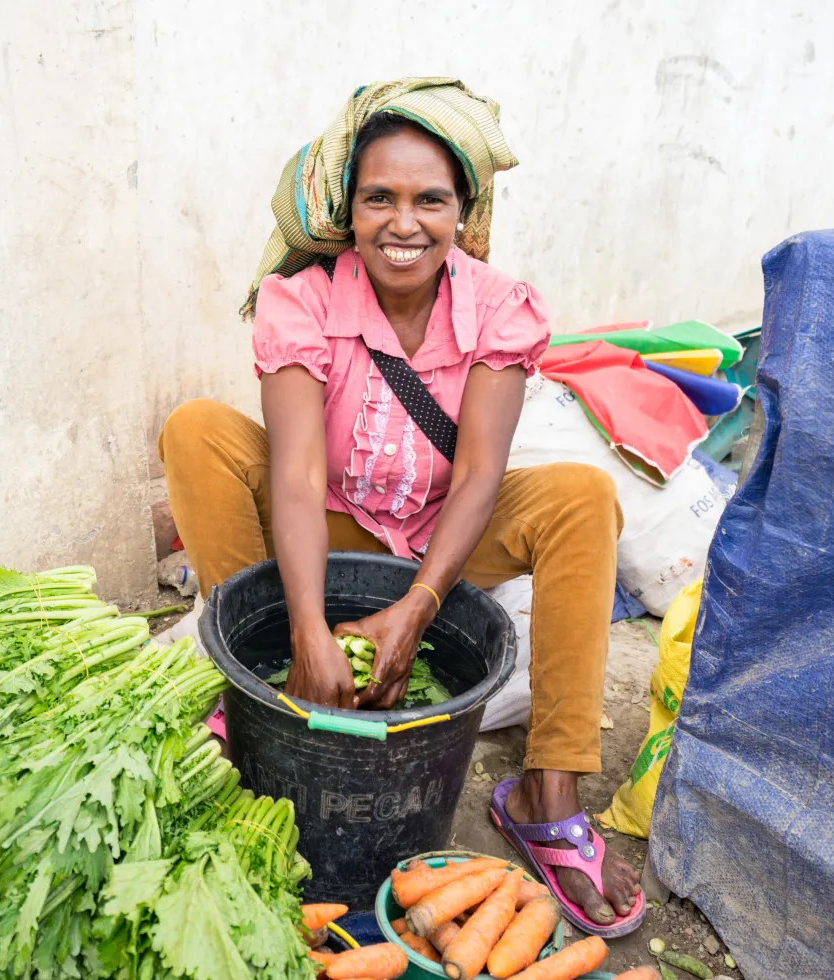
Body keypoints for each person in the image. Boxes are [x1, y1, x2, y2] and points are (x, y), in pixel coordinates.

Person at [159, 78, 643, 935]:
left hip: (445, 533)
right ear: (350, 212)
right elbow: (299, 479)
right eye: (379, 198)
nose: (404, 222)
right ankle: (260, 686)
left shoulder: (497, 307)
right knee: (198, 433)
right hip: (333, 522)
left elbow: (482, 473)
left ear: (465, 212)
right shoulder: (302, 299)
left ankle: (547, 787)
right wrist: (309, 628)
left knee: (582, 496)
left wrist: (419, 608)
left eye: (431, 200)